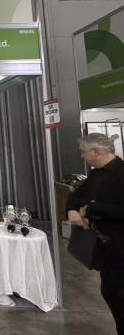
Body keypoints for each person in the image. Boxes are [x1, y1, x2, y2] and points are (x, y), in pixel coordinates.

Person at [66, 133, 124, 334]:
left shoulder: (121, 173)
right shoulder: (96, 174)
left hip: (121, 247)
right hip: (105, 248)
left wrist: (92, 209)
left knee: (117, 293)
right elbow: (77, 195)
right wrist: (72, 209)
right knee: (110, 292)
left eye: (83, 152)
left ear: (96, 151)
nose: (82, 156)